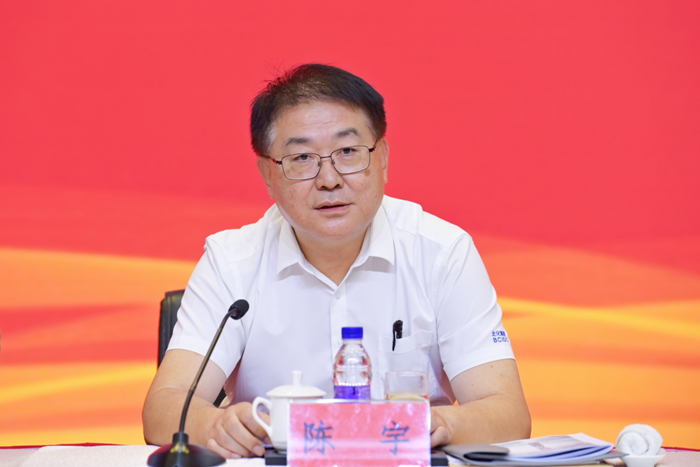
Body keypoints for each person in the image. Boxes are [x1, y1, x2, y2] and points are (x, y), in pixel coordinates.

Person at [142, 64, 531, 458]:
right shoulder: (231, 262)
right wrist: (214, 426)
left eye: (347, 152)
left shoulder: (441, 253)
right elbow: (163, 408)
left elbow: (509, 414)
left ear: (382, 158)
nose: (329, 179)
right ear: (267, 173)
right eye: (302, 157)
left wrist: (438, 424)